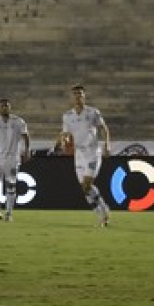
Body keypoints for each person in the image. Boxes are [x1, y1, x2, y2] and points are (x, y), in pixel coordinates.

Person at [59, 84, 111, 227]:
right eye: (75, 94)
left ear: (84, 96)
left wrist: (107, 144)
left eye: (80, 94)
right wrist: (64, 143)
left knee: (87, 184)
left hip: (92, 152)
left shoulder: (93, 112)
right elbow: (65, 134)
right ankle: (103, 209)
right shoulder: (67, 116)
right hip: (79, 154)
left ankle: (101, 214)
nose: (77, 96)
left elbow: (103, 128)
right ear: (72, 97)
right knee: (85, 188)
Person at [0, 98, 31, 222]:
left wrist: (27, 150)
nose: (4, 108)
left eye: (6, 106)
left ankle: (9, 213)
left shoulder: (18, 121)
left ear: (10, 107)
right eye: (2, 106)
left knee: (11, 185)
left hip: (12, 158)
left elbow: (26, 136)